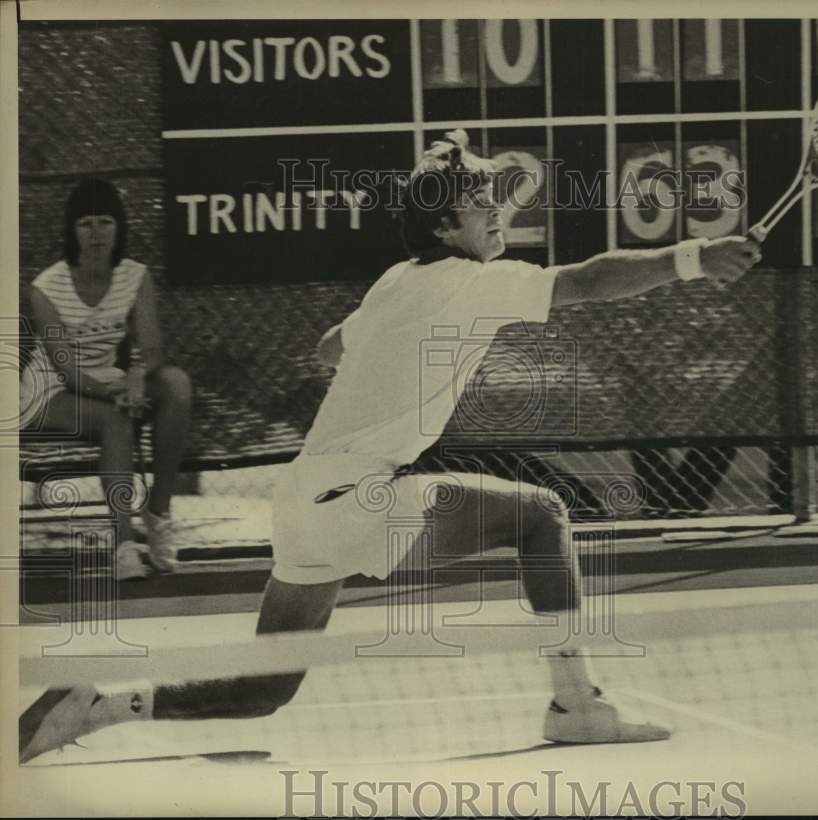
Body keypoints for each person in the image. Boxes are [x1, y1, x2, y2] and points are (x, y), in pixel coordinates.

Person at [19, 133, 759, 762]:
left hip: (308, 499)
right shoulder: (473, 281)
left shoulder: (398, 280)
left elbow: (329, 346)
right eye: (482, 197)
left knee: (268, 688)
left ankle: (98, 706)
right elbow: (589, 279)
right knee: (541, 518)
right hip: (359, 497)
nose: (499, 206)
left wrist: (392, 352)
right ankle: (576, 707)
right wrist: (693, 257)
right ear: (445, 224)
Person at [19, 178, 192, 581]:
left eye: (105, 222)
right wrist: (118, 392)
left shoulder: (135, 276)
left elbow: (150, 348)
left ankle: (158, 516)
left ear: (119, 228)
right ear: (71, 232)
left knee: (176, 385)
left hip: (109, 381)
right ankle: (123, 544)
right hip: (50, 392)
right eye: (85, 224)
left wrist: (134, 378)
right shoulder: (46, 287)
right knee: (116, 417)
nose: (96, 233)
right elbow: (65, 370)